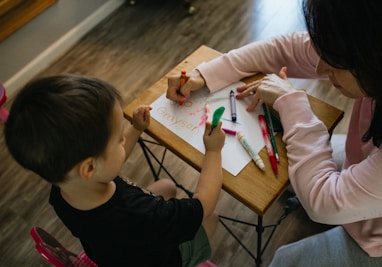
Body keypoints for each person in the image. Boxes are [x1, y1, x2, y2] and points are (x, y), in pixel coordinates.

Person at [166, 0, 382, 266]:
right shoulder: (378, 51)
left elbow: (324, 202)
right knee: (292, 167)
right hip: (370, 168)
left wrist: (293, 104)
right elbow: (286, 49)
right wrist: (205, 74)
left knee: (285, 260)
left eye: (335, 63)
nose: (321, 69)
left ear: (381, 57)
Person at [4, 74, 225, 267]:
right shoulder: (141, 215)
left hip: (114, 255)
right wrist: (214, 151)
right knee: (212, 218)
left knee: (166, 186)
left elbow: (107, 164)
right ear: (89, 167)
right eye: (120, 139)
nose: (123, 140)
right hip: (162, 260)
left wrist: (136, 129)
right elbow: (203, 206)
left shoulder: (63, 187)